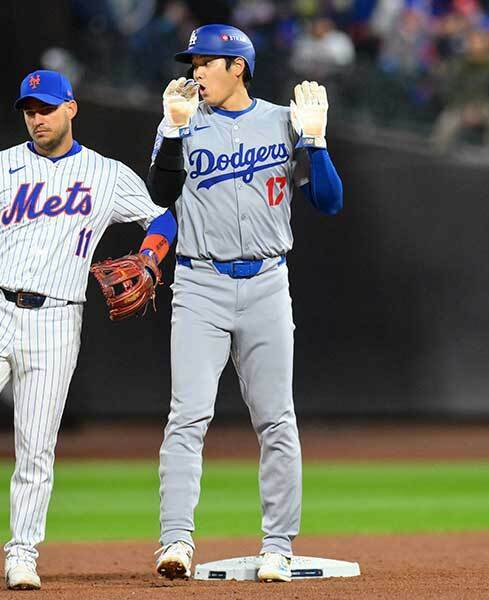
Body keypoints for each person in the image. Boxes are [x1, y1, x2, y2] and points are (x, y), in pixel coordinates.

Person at [0, 69, 177, 591]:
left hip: (58, 316)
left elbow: (164, 215)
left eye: (46, 108)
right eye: (29, 110)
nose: (37, 118)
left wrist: (150, 257)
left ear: (70, 109)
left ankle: (23, 552)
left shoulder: (105, 174)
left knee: (35, 444)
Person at [146, 24, 344, 583]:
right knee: (187, 416)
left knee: (277, 419)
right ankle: (176, 541)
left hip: (265, 283)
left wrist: (317, 142)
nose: (195, 72)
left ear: (238, 66)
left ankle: (278, 545)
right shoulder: (182, 120)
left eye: (205, 62)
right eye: (193, 62)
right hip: (199, 284)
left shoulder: (283, 120)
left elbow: (328, 202)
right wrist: (173, 132)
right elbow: (159, 196)